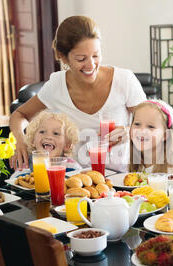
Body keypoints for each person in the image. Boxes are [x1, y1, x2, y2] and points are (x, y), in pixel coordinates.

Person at [9, 15, 146, 172]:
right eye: (81, 59)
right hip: (74, 179)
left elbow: (153, 123)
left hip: (122, 178)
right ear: (63, 58)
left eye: (95, 55)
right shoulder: (56, 86)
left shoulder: (124, 80)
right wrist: (20, 141)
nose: (91, 65)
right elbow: (19, 115)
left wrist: (129, 129)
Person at [128, 99, 173, 174]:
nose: (142, 131)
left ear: (165, 135)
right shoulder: (137, 164)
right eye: (137, 124)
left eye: (150, 126)